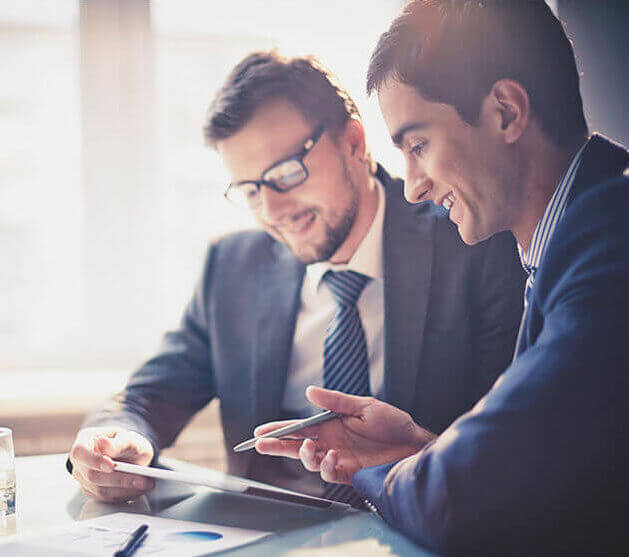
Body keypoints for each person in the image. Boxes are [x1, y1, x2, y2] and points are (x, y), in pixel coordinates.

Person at [67, 51, 524, 507]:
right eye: (250, 190)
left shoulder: (472, 241)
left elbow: (511, 447)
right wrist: (114, 439)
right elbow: (148, 396)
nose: (273, 210)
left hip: (416, 531)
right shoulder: (232, 267)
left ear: (353, 142)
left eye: (286, 172)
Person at [254, 1, 629, 555]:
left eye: (419, 146)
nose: (413, 187)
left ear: (505, 111)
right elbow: (550, 478)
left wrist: (375, 472)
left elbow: (459, 499)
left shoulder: (608, 241)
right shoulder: (572, 235)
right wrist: (421, 451)